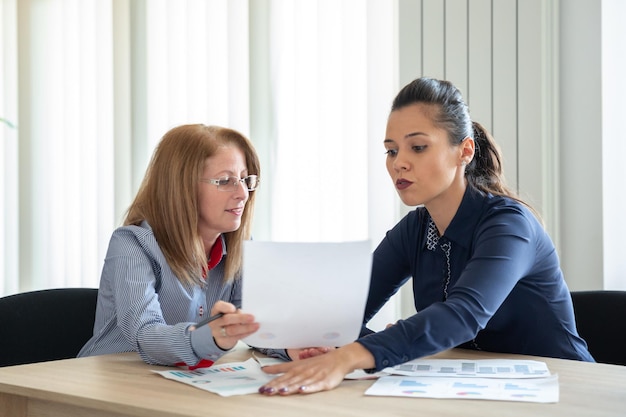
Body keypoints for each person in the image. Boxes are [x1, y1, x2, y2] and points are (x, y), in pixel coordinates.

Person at [258, 76, 594, 396]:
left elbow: (463, 315)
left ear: (464, 151)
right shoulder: (416, 228)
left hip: (564, 389)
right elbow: (344, 315)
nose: (399, 163)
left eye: (417, 147)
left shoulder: (509, 225)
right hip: (472, 392)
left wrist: (352, 354)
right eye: (391, 151)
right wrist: (321, 343)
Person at [79, 124, 275, 367]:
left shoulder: (239, 247)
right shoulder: (132, 244)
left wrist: (291, 347)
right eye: (225, 180)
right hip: (109, 383)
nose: (243, 193)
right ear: (183, 188)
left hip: (179, 384)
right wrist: (211, 336)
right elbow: (146, 335)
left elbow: (254, 324)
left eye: (246, 179)